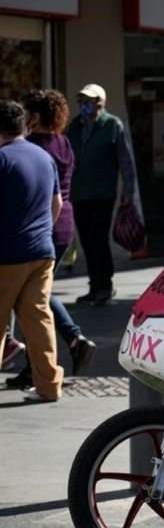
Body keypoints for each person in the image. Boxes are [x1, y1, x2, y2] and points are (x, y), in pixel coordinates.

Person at [5, 90, 97, 388]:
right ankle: (46, 376)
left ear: (33, 116)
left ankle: (71, 338)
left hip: (23, 237)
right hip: (53, 232)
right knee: (36, 306)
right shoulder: (60, 145)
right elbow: (57, 197)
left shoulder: (18, 151)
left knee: (29, 303)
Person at [0, 100, 65, 402]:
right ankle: (49, 385)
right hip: (42, 251)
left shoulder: (2, 159)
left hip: (7, 254)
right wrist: (41, 232)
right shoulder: (43, 157)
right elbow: (57, 204)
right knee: (38, 318)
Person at [65, 84, 136, 306]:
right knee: (86, 239)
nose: (84, 105)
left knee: (98, 237)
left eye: (89, 100)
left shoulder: (112, 125)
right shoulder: (75, 126)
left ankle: (105, 284)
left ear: (100, 103)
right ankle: (94, 285)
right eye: (82, 100)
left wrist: (128, 191)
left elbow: (125, 160)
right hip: (79, 192)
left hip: (103, 192)